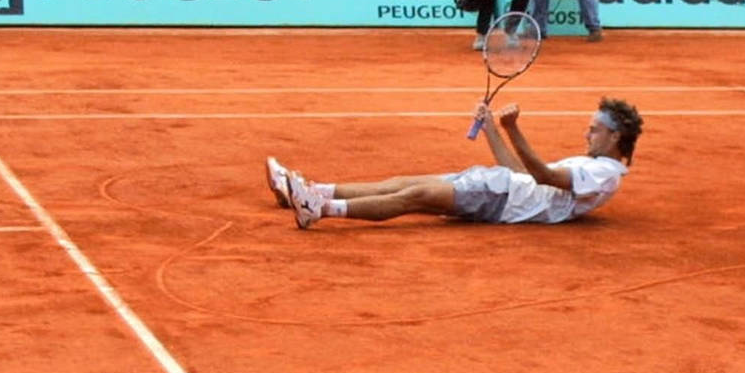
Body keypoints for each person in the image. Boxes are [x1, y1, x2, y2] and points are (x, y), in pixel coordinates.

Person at [266, 96, 642, 230]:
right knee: (401, 182)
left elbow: (541, 175)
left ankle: (320, 209)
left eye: (594, 130)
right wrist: (495, 127)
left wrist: (513, 128)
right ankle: (308, 190)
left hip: (501, 200)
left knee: (414, 197)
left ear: (615, 138)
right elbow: (521, 172)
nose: (586, 133)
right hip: (499, 183)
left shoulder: (604, 174)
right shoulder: (591, 162)